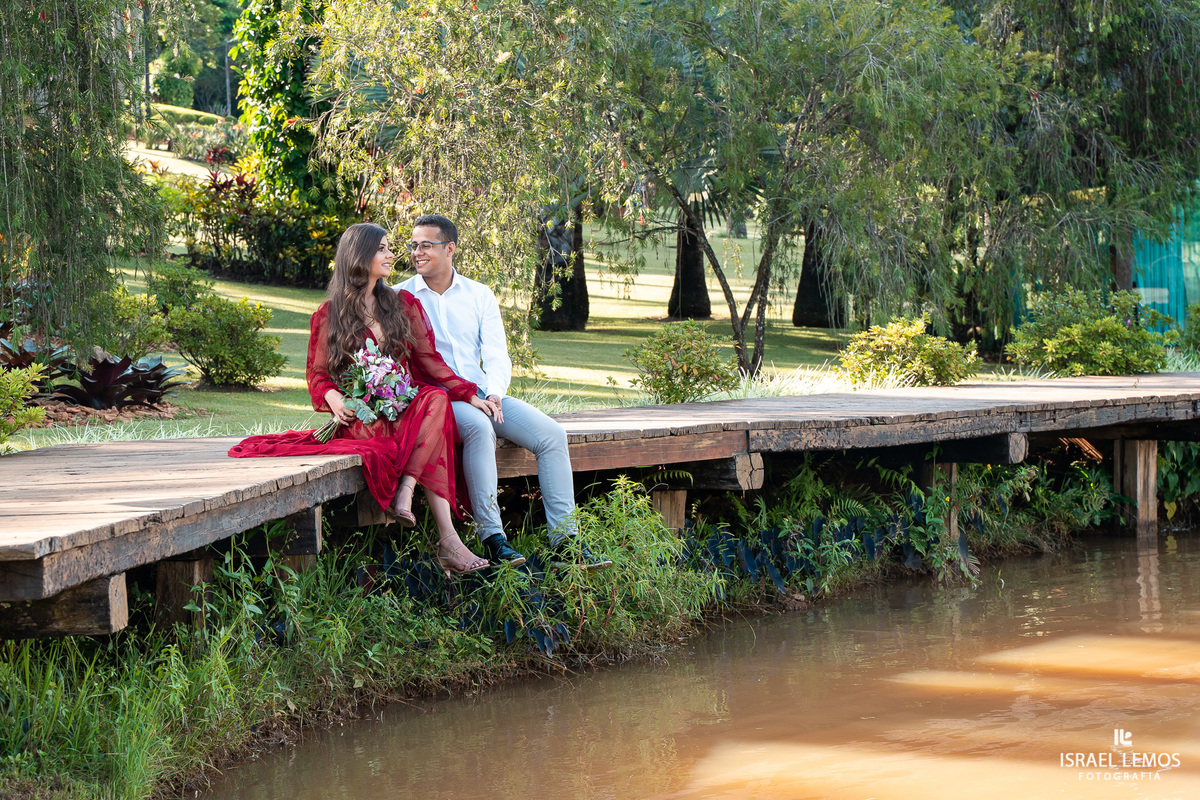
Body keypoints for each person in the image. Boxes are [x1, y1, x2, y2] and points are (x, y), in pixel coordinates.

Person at [230, 222, 498, 575]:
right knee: (430, 430)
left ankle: (412, 496)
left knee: (436, 399)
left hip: (399, 406)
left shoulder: (402, 304)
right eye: (383, 249)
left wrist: (468, 393)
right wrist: (334, 399)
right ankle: (447, 541)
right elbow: (318, 375)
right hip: (363, 416)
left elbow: (429, 361)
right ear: (360, 256)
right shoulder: (329, 315)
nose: (392, 255)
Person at [395, 214, 612, 569]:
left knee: (551, 435)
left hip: (483, 391)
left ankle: (565, 542)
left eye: (426, 245)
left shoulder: (479, 295)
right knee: (480, 430)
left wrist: (495, 393)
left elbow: (496, 354)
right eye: (413, 245)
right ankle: (493, 538)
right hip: (438, 399)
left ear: (450, 249)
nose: (417, 252)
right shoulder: (399, 296)